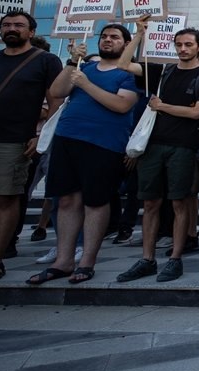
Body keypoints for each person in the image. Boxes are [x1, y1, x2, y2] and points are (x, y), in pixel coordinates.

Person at [26, 24, 138, 285]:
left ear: (126, 44)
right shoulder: (83, 68)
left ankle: (87, 261)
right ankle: (63, 261)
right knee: (65, 201)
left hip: (103, 144)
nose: (108, 40)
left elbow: (122, 105)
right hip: (67, 138)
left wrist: (86, 85)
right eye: (105, 36)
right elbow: (57, 92)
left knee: (95, 202)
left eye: (115, 37)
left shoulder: (130, 74)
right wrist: (72, 62)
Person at [114, 24, 199, 283]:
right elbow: (123, 64)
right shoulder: (162, 71)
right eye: (179, 44)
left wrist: (163, 106)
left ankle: (175, 258)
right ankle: (147, 258)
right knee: (150, 203)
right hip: (153, 144)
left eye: (188, 45)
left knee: (179, 202)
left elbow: (196, 112)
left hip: (183, 145)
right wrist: (138, 34)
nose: (183, 49)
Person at [0, 9, 63, 285]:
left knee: (5, 200)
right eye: (6, 24)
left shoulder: (45, 61)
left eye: (18, 25)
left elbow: (55, 100)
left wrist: (41, 135)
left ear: (31, 32)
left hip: (13, 141)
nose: (12, 28)